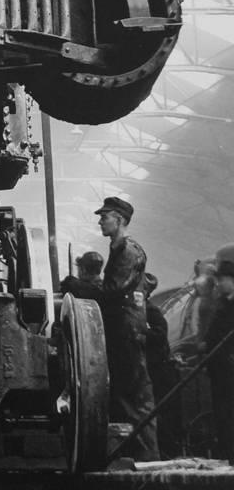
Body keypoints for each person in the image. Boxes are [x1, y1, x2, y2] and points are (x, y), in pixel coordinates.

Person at [95, 196, 159, 462]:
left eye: (104, 216)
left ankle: (147, 457)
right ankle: (134, 455)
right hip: (121, 330)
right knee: (124, 395)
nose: (100, 220)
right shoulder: (118, 248)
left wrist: (84, 287)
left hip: (128, 332)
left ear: (119, 219)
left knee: (135, 395)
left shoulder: (128, 251)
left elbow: (114, 289)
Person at [144, 272, 182, 458]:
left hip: (159, 370)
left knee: (162, 411)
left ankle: (167, 451)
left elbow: (159, 336)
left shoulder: (151, 311)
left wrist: (141, 333)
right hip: (157, 368)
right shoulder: (147, 310)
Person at [204, 245, 234, 463]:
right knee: (222, 414)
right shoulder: (223, 304)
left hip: (229, 370)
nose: (219, 283)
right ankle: (227, 454)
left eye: (222, 279)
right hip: (219, 371)